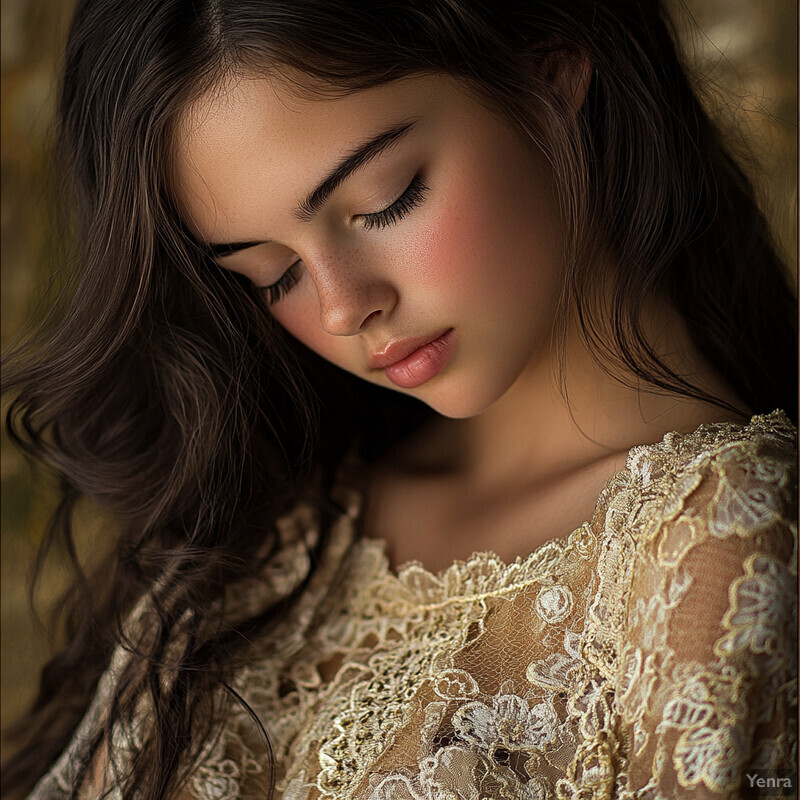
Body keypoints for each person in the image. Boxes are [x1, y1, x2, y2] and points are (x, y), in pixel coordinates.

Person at [2, 0, 797, 798]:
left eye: (386, 199)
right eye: (272, 272)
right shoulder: (263, 534)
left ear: (550, 72)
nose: (344, 308)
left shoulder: (717, 545)